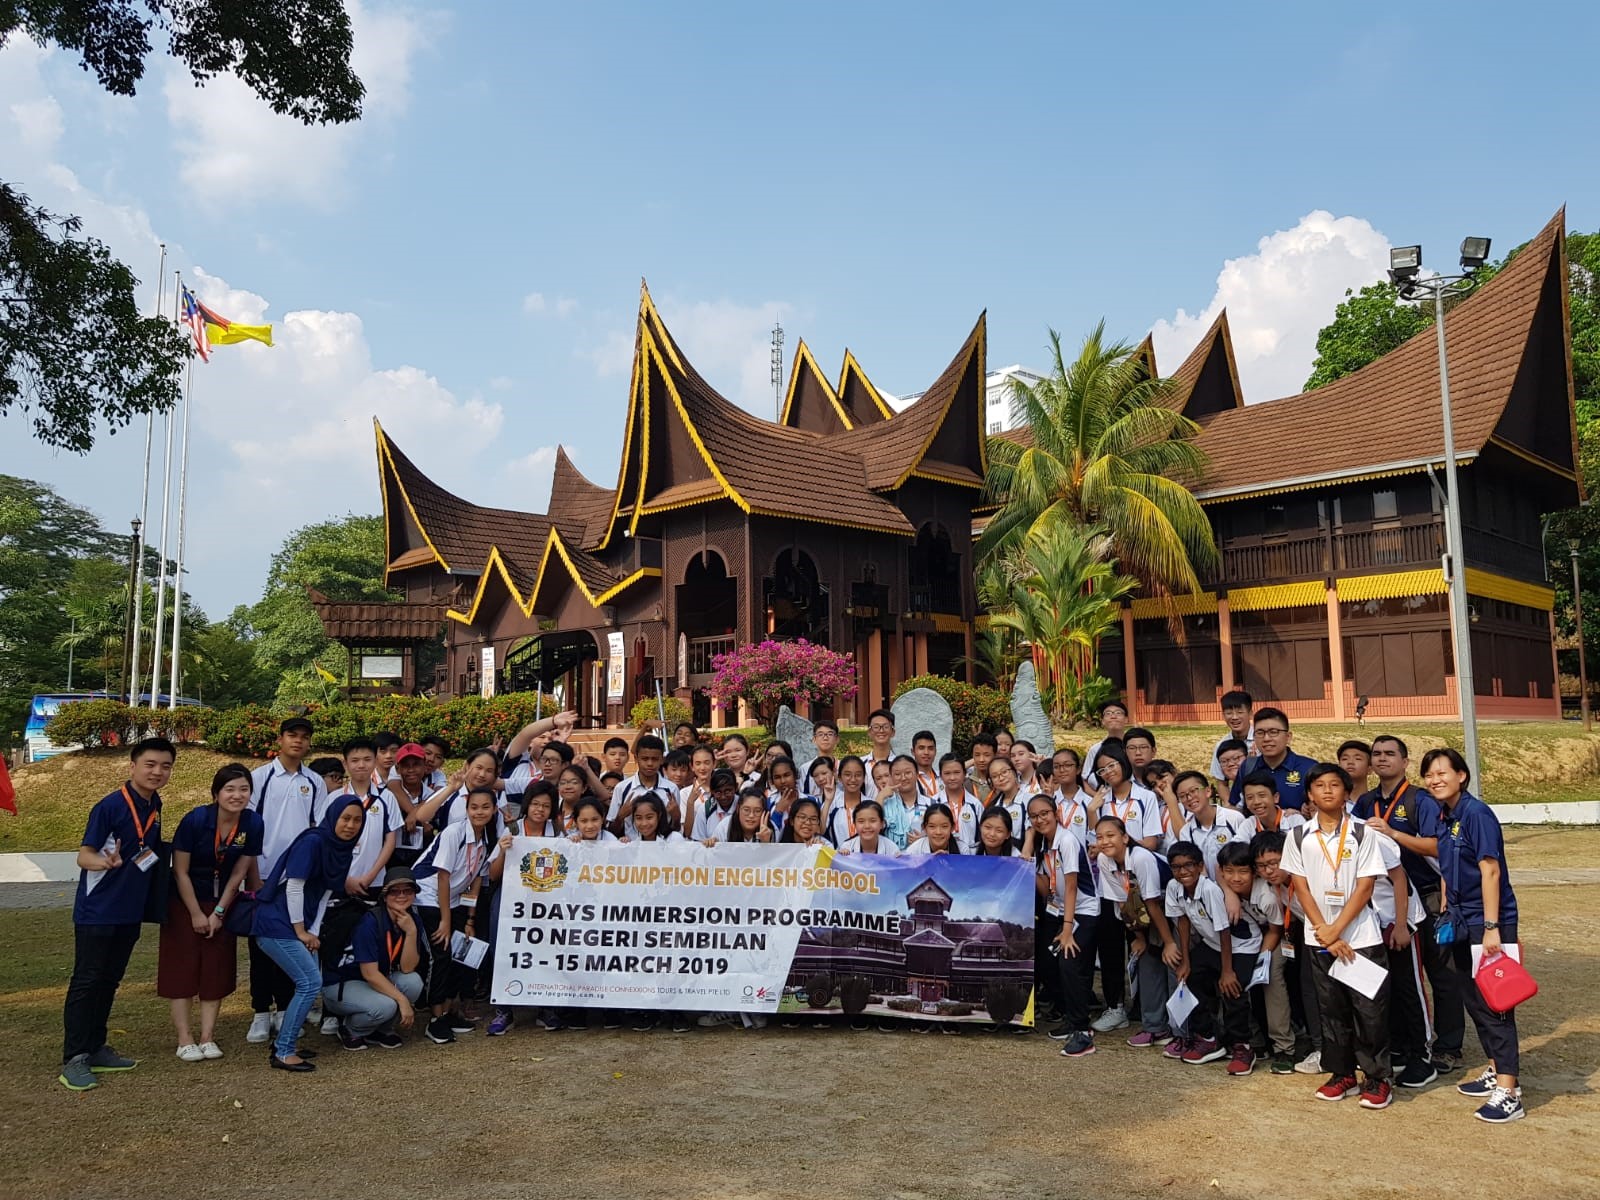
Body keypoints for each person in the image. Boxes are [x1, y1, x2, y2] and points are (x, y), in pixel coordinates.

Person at [57, 737, 175, 1091]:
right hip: (98, 910)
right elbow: (84, 856)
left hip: (129, 911)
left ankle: (96, 1047)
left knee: (109, 980)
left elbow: (147, 854)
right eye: (150, 764)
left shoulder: (154, 805)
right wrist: (105, 862)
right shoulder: (109, 806)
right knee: (88, 980)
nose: (157, 772)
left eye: (165, 766)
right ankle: (75, 1057)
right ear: (133, 766)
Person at [1422, 748, 1526, 1124]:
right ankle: (1497, 1068)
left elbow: (1491, 872)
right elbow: (1449, 864)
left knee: (1496, 1004)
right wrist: (1449, 901)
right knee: (1473, 997)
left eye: (1442, 773)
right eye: (1429, 775)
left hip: (1488, 922)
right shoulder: (1444, 814)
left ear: (1461, 776)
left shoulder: (1476, 814)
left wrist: (1493, 927)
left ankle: (1510, 1092)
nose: (1434, 780)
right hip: (1462, 919)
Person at [1280, 763, 1392, 1110]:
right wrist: (1324, 932)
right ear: (1309, 795)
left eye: (1334, 785)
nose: (1327, 791)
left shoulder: (1363, 834)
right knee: (1331, 1010)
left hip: (1361, 937)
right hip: (1319, 940)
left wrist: (1337, 929)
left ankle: (1376, 1078)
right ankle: (1341, 1073)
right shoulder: (1299, 835)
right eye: (1319, 786)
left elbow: (1366, 886)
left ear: (1346, 792)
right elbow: (1299, 885)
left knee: (1369, 1010)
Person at [1358, 734, 1464, 1075]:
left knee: (1440, 973)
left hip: (1429, 894)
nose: (1382, 758)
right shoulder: (1365, 801)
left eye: (1391, 754)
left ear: (1405, 762)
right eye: (1376, 754)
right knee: (1400, 976)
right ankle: (1404, 1043)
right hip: (1386, 902)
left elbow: (1439, 846)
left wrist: (1394, 834)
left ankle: (1447, 1047)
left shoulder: (1421, 800)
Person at [251, 795, 365, 1073]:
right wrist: (301, 930)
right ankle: (284, 1051)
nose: (350, 825)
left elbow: (326, 893)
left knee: (308, 982)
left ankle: (285, 1042)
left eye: (357, 820)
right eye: (345, 818)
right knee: (310, 983)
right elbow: (294, 886)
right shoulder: (313, 841)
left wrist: (313, 932)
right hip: (277, 923)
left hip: (301, 926)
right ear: (332, 817)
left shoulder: (343, 849)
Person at [159, 763, 262, 1063]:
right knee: (183, 968)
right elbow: (180, 872)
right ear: (216, 793)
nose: (237, 795)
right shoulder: (196, 820)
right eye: (230, 789)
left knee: (216, 967)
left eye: (244, 789)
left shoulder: (253, 823)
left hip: (222, 903)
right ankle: (185, 1039)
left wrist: (218, 912)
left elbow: (239, 873)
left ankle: (207, 1036)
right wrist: (195, 913)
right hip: (184, 901)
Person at [246, 716, 327, 1046]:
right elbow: (248, 830)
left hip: (297, 877)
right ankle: (260, 1012)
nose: (298, 741)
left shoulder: (315, 782)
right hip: (264, 874)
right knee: (260, 947)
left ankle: (284, 1009)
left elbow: (317, 828)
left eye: (304, 737)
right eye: (292, 735)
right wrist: (253, 876)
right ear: (280, 739)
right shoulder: (260, 778)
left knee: (290, 944)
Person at [415, 787, 503, 1044]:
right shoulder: (454, 833)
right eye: (474, 807)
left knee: (459, 955)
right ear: (466, 809)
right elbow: (443, 877)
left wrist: (469, 920)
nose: (479, 812)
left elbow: (475, 880)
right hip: (427, 896)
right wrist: (445, 920)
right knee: (440, 955)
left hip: (453, 901)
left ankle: (450, 1011)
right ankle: (435, 1019)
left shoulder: (486, 839)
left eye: (485, 807)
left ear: (494, 809)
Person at [1025, 794, 1098, 1057]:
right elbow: (1046, 888)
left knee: (1068, 960)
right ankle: (1069, 1015)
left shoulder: (1066, 840)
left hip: (1082, 911)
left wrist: (1067, 928)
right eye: (1034, 816)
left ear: (1055, 812)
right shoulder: (1043, 844)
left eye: (1044, 813)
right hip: (1057, 909)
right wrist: (1029, 851)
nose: (1040, 819)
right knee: (1046, 961)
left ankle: (1082, 1030)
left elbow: (1071, 885)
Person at [320, 866, 424, 1050]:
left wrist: (411, 932)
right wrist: (402, 1001)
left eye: (408, 890)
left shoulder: (412, 920)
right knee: (386, 1006)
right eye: (394, 891)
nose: (401, 895)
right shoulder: (370, 921)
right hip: (343, 983)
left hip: (372, 981)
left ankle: (381, 1030)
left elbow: (408, 968)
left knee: (413, 982)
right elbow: (370, 974)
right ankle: (351, 1030)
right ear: (384, 896)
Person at [1090, 814, 1174, 1040]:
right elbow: (1122, 901)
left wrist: (1168, 942)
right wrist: (1140, 937)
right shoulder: (1104, 860)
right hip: (1141, 910)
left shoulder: (1141, 857)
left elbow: (1153, 903)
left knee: (1172, 960)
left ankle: (1177, 1030)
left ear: (1125, 837)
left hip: (1171, 908)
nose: (1104, 841)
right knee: (1147, 961)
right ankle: (1156, 1026)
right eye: (1099, 837)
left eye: (1111, 835)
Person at [1163, 840, 1241, 1068]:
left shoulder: (1209, 889)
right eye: (1176, 867)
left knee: (1232, 987)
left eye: (1188, 865)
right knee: (1191, 977)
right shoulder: (1173, 887)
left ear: (1199, 866)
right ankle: (1207, 1037)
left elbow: (1224, 931)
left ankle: (1240, 1044)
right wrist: (1186, 961)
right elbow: (1183, 921)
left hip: (1232, 947)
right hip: (1209, 943)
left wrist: (1226, 970)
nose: (1183, 871)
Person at [1225, 838, 1292, 1073]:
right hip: (1252, 938)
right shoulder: (1228, 886)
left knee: (1270, 975)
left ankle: (1284, 1046)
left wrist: (1262, 959)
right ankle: (1253, 1041)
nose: (1235, 877)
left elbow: (1276, 930)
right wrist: (1228, 892)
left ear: (1253, 872)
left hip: (1281, 936)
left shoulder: (1265, 895)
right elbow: (1217, 869)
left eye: (1243, 871)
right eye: (1229, 872)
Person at [328, 737, 399, 901]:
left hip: (373, 881)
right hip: (337, 879)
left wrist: (370, 876)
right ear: (345, 764)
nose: (361, 765)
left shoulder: (387, 797)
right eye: (355, 760)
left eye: (367, 759)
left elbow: (390, 841)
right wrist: (343, 877)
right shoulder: (334, 798)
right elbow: (325, 840)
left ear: (375, 761)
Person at [1227, 707, 1317, 813]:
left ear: (1288, 737)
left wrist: (1304, 814)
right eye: (1260, 733)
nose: (1266, 738)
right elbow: (1235, 807)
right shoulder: (1248, 767)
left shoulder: (1309, 768)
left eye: (1273, 732)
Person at [1174, 771, 1249, 881]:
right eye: (1182, 796)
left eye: (1193, 791)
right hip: (1209, 890)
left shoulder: (1234, 819)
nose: (1189, 797)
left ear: (1208, 791)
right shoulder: (1186, 832)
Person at [1092, 743, 1160, 852]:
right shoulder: (1100, 801)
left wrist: (1117, 846)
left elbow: (1151, 843)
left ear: (1123, 762)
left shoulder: (1146, 797)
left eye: (1111, 765)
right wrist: (1091, 811)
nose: (1108, 772)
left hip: (1139, 860)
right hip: (1109, 865)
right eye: (1102, 770)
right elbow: (1094, 844)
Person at [609, 734, 679, 838]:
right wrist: (620, 816)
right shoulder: (622, 788)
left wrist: (676, 817)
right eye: (645, 759)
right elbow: (610, 832)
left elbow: (676, 830)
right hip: (632, 849)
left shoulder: (671, 789)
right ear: (636, 758)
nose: (650, 763)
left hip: (663, 850)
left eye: (655, 759)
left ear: (662, 760)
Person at [386, 743, 432, 869]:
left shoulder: (432, 796)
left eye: (416, 764)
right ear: (398, 769)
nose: (411, 770)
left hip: (422, 861)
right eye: (406, 766)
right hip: (390, 860)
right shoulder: (387, 796)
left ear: (425, 766)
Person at [933, 752, 982, 853]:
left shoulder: (975, 804)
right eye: (947, 773)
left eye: (956, 772)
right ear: (940, 776)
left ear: (964, 774)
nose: (952, 778)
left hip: (969, 860)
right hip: (941, 857)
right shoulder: (932, 803)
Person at [1239, 770, 1305, 840]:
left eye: (1262, 795)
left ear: (1275, 797)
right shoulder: (1247, 825)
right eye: (1250, 797)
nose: (1256, 802)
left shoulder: (1295, 820)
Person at [1209, 689, 1255, 781]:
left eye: (1240, 712)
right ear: (1223, 715)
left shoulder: (1262, 740)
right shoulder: (1221, 745)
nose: (1234, 717)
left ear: (1250, 713)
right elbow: (1222, 783)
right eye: (1229, 713)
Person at [880, 755, 925, 850]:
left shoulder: (931, 804)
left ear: (917, 774)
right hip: (892, 860)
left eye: (908, 773)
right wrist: (880, 797)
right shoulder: (884, 804)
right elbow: (873, 829)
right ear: (891, 777)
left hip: (922, 860)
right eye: (897, 774)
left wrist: (924, 840)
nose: (903, 778)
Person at [1086, 699, 1131, 790]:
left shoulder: (1133, 747)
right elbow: (1085, 778)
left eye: (1118, 713)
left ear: (1126, 719)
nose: (1113, 716)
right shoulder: (1095, 749)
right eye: (1108, 713)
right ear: (1102, 721)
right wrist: (1099, 798)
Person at [826, 756, 869, 847]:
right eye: (847, 774)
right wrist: (827, 801)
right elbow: (820, 831)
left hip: (865, 859)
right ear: (840, 777)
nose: (853, 779)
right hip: (838, 859)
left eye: (858, 775)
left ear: (864, 777)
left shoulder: (870, 804)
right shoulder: (832, 803)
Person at [698, 768, 740, 841]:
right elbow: (699, 840)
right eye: (718, 793)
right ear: (712, 791)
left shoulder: (743, 806)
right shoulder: (705, 809)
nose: (723, 797)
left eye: (728, 791)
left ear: (736, 787)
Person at [862, 709, 896, 797]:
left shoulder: (899, 764)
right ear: (869, 732)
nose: (881, 731)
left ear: (893, 732)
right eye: (876, 727)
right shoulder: (861, 764)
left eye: (886, 727)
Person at [968, 732, 998, 804]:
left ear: (995, 755)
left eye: (987, 755)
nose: (981, 759)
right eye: (977, 755)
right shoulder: (965, 782)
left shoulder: (1001, 781)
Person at [910, 730, 940, 797]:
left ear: (935, 751)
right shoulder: (908, 779)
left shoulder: (942, 778)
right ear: (913, 751)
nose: (926, 752)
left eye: (930, 748)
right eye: (921, 748)